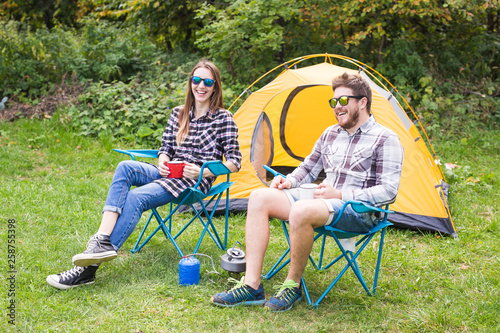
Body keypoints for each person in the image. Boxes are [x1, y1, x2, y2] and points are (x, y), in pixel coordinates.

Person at [210, 72, 404, 312]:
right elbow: (308, 169)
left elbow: (389, 191)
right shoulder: (330, 133)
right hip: (324, 203)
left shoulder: (386, 138)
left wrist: (341, 196)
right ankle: (252, 286)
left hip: (359, 212)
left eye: (343, 101)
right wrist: (288, 182)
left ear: (362, 102)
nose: (337, 107)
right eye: (334, 102)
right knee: (259, 197)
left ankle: (293, 285)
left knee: (301, 209)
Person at [47, 59, 242, 290]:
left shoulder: (223, 118)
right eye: (196, 80)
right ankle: (101, 240)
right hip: (168, 175)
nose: (201, 86)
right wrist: (162, 162)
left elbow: (234, 162)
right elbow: (165, 148)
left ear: (215, 86)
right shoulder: (178, 113)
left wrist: (202, 170)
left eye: (207, 81)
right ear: (190, 82)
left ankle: (86, 271)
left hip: (193, 183)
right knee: (124, 167)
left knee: (136, 197)